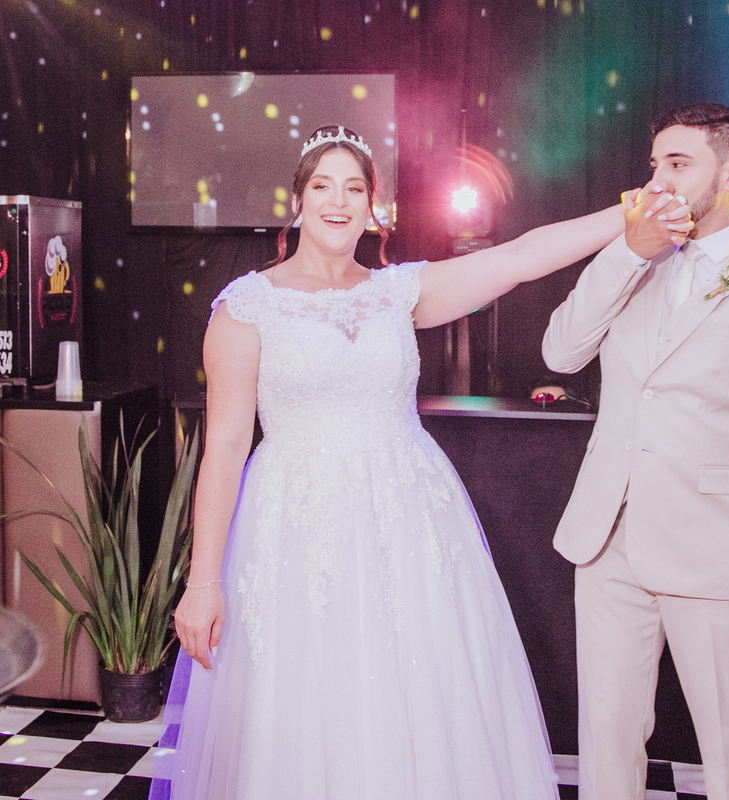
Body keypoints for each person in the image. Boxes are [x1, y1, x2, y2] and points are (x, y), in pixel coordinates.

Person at [153, 125, 691, 800]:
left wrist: (630, 212)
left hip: (407, 524)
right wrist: (203, 581)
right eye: (323, 186)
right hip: (295, 530)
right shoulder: (247, 308)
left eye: (354, 188)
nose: (338, 201)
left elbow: (523, 257)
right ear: (298, 200)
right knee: (307, 701)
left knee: (417, 696)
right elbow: (226, 448)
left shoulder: (398, 292)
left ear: (373, 206)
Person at [542, 103, 729, 800]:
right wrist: (626, 252)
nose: (658, 181)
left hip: (719, 552)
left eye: (678, 164)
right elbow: (561, 351)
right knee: (606, 739)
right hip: (607, 539)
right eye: (655, 164)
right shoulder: (635, 260)